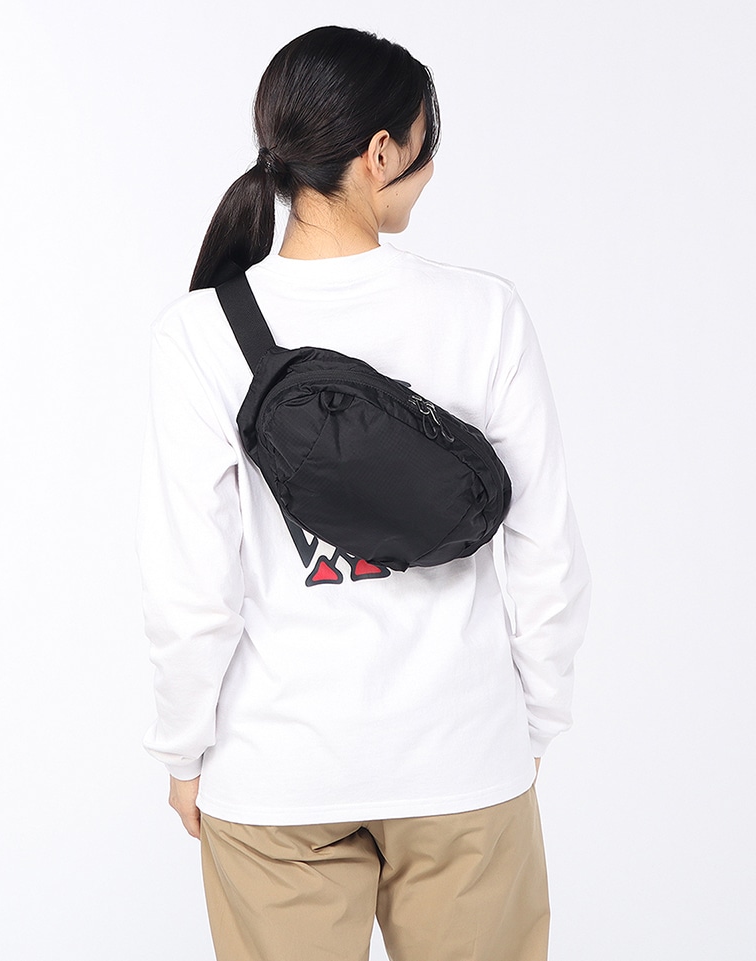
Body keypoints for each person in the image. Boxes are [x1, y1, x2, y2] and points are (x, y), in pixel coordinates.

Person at [135, 24, 592, 961]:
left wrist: (183, 750)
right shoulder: (485, 312)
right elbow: (547, 550)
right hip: (461, 757)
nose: (430, 170)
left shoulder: (199, 333)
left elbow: (192, 590)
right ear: (381, 152)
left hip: (278, 773)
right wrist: (532, 723)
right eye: (425, 145)